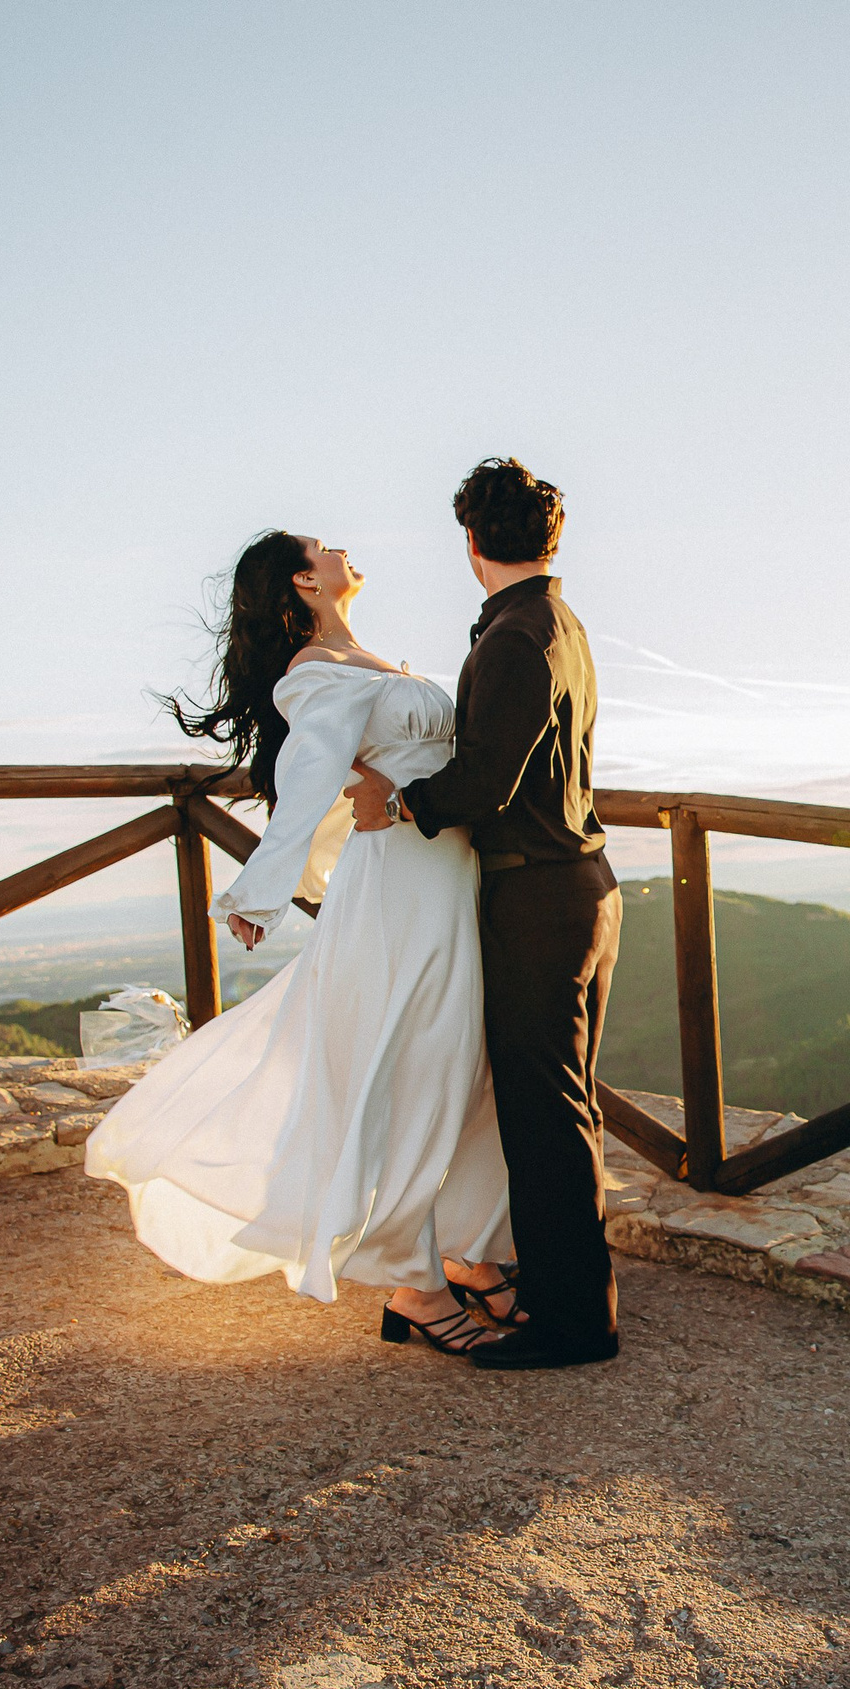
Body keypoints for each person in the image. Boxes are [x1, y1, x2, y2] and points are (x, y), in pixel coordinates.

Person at [83, 529, 519, 1356]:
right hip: (401, 889)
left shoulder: (367, 659)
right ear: (303, 582)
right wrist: (261, 890)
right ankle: (413, 1282)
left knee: (469, 1067)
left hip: (449, 876)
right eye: (326, 547)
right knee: (417, 1070)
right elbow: (313, 773)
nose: (344, 550)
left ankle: (468, 1247)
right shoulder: (313, 674)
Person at [343, 458, 623, 1369]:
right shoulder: (559, 622)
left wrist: (400, 800)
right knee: (561, 1106)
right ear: (554, 537)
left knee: (544, 1117)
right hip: (581, 882)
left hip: (538, 894)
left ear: (469, 542)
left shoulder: (511, 637)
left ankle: (577, 1325)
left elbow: (485, 780)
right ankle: (559, 1289)